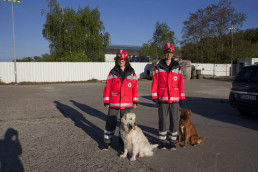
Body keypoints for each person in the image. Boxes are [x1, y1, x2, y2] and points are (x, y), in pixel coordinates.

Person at [151, 43, 185, 150]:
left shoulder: (178, 68)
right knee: (162, 120)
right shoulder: (158, 67)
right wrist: (154, 96)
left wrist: (182, 97)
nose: (169, 54)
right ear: (164, 53)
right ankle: (162, 141)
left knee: (174, 120)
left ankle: (173, 141)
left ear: (173, 53)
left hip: (174, 98)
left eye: (170, 53)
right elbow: (155, 83)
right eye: (167, 52)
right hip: (162, 98)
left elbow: (181, 83)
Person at [102, 49, 139, 150]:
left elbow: (135, 88)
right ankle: (107, 142)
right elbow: (107, 87)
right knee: (111, 121)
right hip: (114, 102)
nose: (121, 61)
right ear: (117, 60)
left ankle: (123, 141)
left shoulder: (132, 73)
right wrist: (106, 100)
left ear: (126, 60)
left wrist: (135, 101)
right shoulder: (112, 72)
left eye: (123, 59)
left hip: (127, 103)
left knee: (125, 124)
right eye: (119, 59)